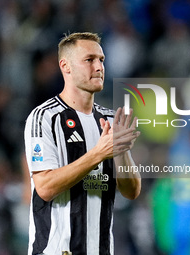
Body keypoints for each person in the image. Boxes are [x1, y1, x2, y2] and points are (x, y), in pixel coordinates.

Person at [24, 32, 141, 255]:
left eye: (101, 60)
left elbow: (132, 191)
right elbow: (46, 187)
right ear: (65, 66)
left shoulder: (109, 120)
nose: (99, 67)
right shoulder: (45, 117)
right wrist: (98, 153)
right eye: (89, 60)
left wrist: (121, 153)